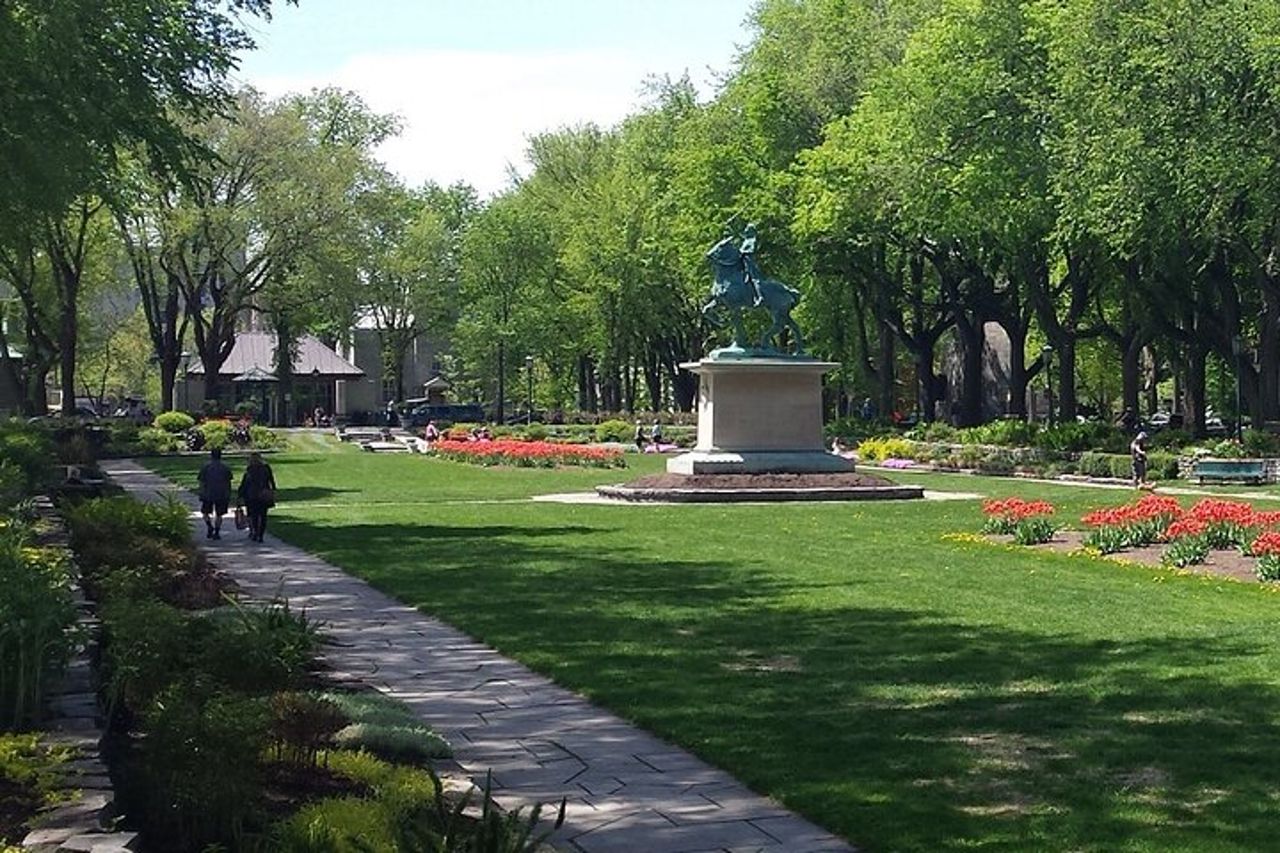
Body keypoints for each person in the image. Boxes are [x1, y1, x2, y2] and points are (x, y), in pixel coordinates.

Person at [237, 451, 277, 543]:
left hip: (252, 495)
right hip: (264, 494)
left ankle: (255, 532)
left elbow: (245, 483)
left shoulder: (250, 469)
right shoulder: (266, 468)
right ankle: (261, 535)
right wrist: (273, 491)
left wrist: (240, 494)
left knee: (254, 515)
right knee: (263, 516)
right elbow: (271, 480)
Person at [197, 448, 233, 540]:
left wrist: (201, 491)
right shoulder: (225, 467)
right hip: (221, 493)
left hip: (208, 493)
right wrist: (228, 493)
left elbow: (201, 481)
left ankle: (209, 526)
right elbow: (228, 482)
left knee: (205, 512)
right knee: (219, 514)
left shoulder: (206, 467)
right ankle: (217, 531)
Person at [739, 222, 765, 307]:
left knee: (754, 279)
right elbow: (737, 234)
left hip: (750, 262)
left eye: (747, 229)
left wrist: (742, 252)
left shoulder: (752, 240)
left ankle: (760, 297)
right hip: (743, 261)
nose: (745, 230)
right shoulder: (746, 240)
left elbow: (750, 250)